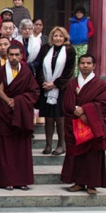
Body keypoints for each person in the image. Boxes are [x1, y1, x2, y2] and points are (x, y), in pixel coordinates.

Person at [61, 54, 106, 194]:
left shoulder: (101, 85)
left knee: (92, 155)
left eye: (88, 63)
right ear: (78, 65)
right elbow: (67, 103)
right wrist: (77, 112)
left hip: (92, 126)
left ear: (94, 66)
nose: (85, 65)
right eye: (82, 63)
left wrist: (85, 111)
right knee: (76, 154)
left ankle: (91, 184)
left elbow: (104, 103)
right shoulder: (72, 83)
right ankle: (78, 183)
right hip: (75, 124)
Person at [0, 44, 40, 191]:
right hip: (4, 111)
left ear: (21, 56)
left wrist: (18, 101)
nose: (13, 57)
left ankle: (22, 180)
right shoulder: (1, 70)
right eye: (10, 54)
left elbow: (34, 91)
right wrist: (9, 102)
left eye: (16, 55)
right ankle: (6, 180)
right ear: (7, 55)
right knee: (5, 148)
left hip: (22, 112)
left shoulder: (26, 71)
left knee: (22, 148)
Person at [36, 27, 76, 156]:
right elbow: (39, 67)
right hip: (46, 88)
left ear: (65, 38)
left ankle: (60, 145)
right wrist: (44, 83)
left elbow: (69, 71)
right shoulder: (45, 49)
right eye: (55, 36)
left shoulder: (69, 50)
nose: (57, 38)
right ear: (51, 37)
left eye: (60, 36)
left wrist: (55, 84)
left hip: (61, 88)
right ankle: (48, 144)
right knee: (48, 118)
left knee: (59, 117)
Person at [68, 6, 94, 75]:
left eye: (80, 13)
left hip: (83, 44)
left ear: (83, 14)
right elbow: (68, 31)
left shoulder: (87, 22)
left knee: (82, 59)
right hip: (73, 44)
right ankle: (75, 75)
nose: (79, 14)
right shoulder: (71, 22)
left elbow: (92, 31)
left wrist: (86, 36)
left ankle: (81, 74)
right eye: (77, 13)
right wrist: (69, 38)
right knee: (75, 59)